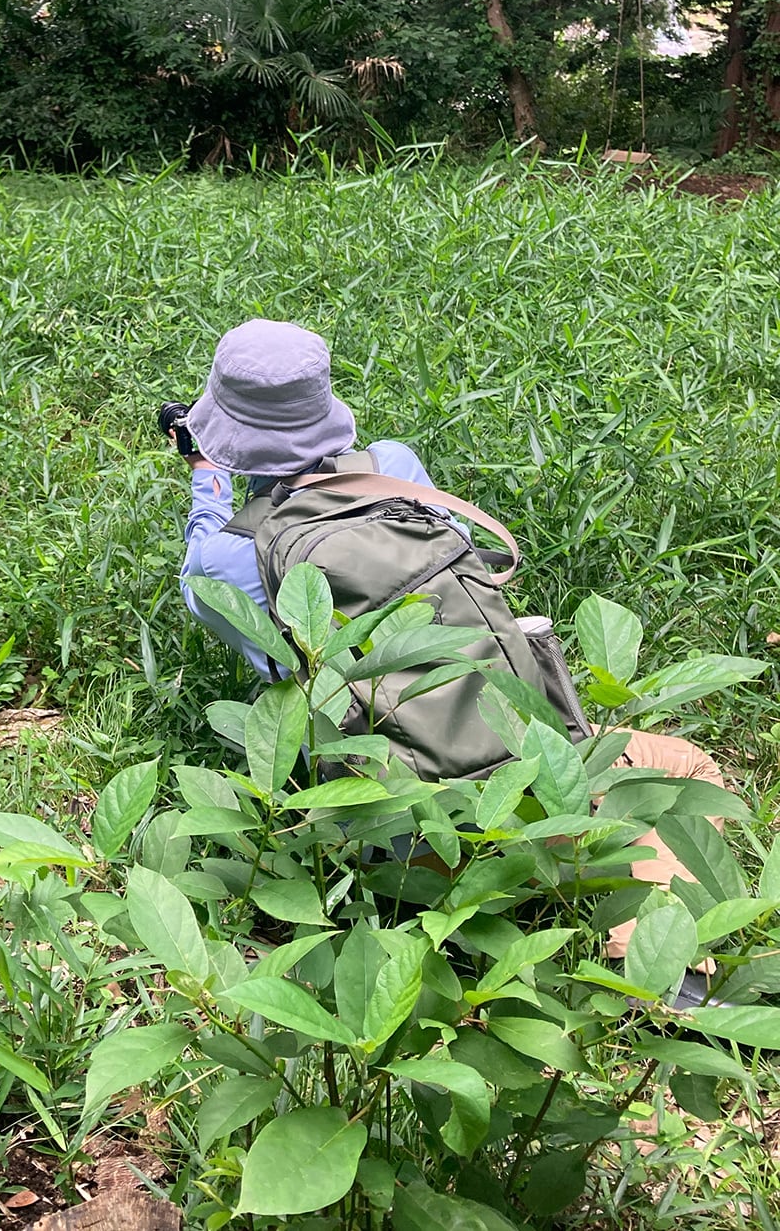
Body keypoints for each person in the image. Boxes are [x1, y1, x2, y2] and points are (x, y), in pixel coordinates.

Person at [171, 318, 729, 991]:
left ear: (225, 433)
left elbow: (211, 566)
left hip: (404, 838)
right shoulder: (396, 468)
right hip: (532, 771)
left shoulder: (223, 560)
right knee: (688, 770)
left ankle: (628, 957)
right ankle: (662, 958)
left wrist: (207, 477)